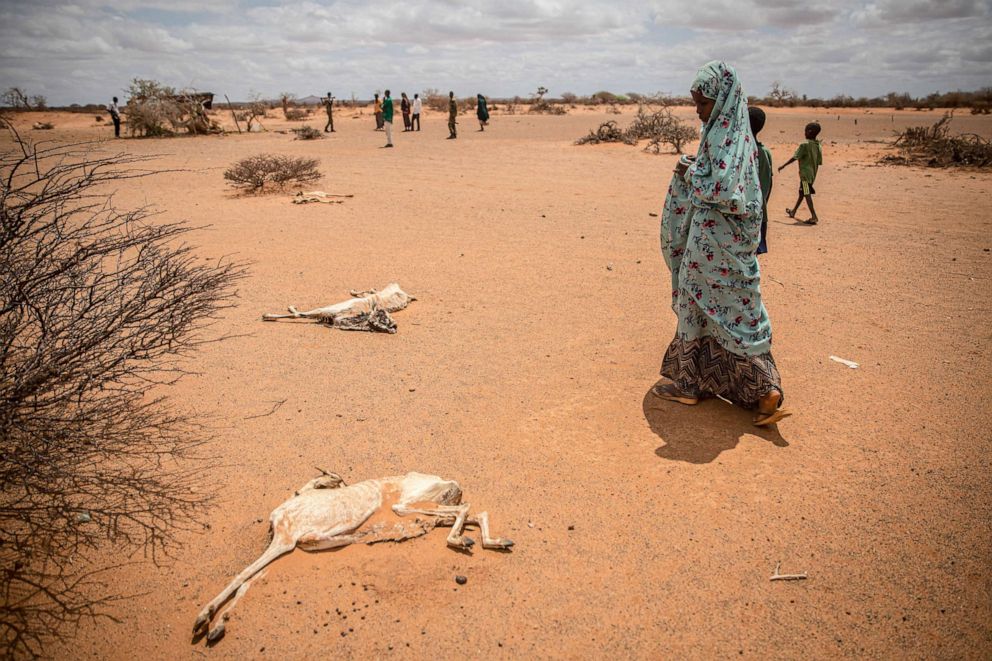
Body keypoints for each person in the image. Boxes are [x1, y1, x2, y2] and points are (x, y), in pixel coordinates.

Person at [655, 60, 789, 427]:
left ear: (724, 100)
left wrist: (689, 170)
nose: (698, 112)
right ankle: (757, 390)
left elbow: (727, 192)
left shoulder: (726, 139)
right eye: (696, 104)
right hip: (718, 246)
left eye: (703, 104)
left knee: (713, 311)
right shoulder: (734, 137)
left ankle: (705, 384)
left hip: (717, 246)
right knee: (733, 312)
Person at [779, 122, 822, 224]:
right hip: (812, 175)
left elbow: (795, 157)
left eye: (805, 131)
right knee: (802, 193)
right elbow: (819, 162)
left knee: (806, 193)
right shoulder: (818, 145)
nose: (804, 133)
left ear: (809, 132)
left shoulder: (804, 145)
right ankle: (793, 211)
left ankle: (814, 216)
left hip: (805, 176)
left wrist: (783, 165)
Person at [749, 107, 772, 254]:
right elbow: (770, 183)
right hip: (760, 210)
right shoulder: (765, 153)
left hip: (745, 213)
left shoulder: (745, 152)